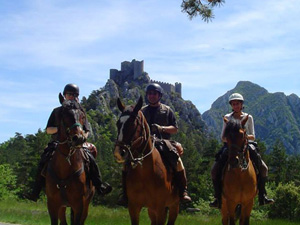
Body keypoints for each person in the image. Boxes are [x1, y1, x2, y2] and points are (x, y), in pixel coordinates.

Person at [26, 83, 112, 202]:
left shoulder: (81, 112)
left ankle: (99, 186)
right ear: (65, 96)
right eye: (69, 94)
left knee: (91, 159)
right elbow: (48, 130)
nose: (72, 97)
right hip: (58, 143)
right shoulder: (56, 111)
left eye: (75, 95)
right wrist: (60, 130)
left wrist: (83, 136)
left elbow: (87, 130)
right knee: (44, 159)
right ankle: (35, 191)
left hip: (77, 143)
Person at [209, 93, 274, 208]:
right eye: (233, 104)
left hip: (246, 144)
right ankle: (217, 197)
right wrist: (231, 139)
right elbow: (223, 137)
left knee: (263, 168)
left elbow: (252, 136)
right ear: (231, 105)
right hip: (230, 146)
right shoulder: (227, 118)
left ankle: (262, 195)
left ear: (241, 104)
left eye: (238, 103)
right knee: (215, 169)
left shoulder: (248, 118)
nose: (236, 106)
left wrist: (243, 137)